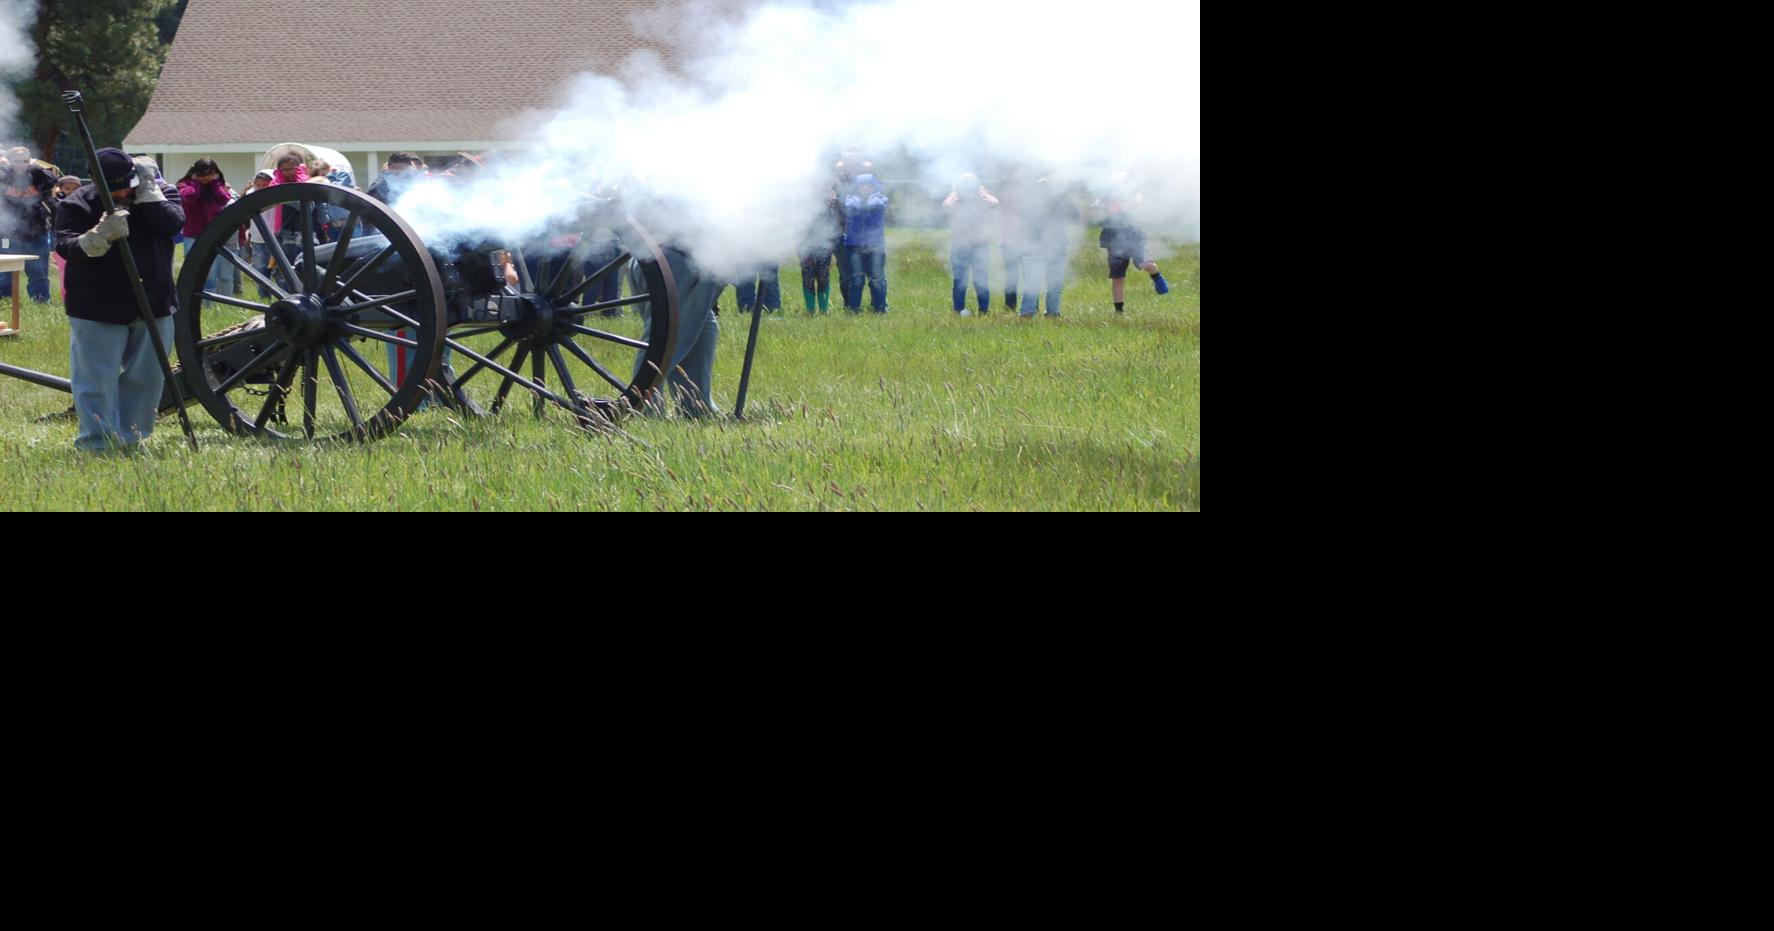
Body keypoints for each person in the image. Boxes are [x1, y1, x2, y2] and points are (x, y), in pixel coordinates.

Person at [53, 149, 185, 452]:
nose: (124, 192)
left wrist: (150, 196)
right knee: (96, 381)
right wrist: (96, 237)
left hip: (153, 300)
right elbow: (65, 245)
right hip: (96, 304)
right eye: (115, 189)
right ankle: (97, 443)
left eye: (127, 185)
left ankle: (132, 439)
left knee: (147, 378)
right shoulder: (76, 203)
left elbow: (172, 225)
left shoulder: (159, 194)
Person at [1095, 172, 1170, 314]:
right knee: (1118, 278)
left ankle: (1156, 275)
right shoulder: (1104, 198)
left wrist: (1125, 204)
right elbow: (1101, 212)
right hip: (1113, 240)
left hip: (1134, 236)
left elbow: (1134, 206)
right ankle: (1119, 311)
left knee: (1146, 264)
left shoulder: (1135, 197)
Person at [1, 145, 57, 303]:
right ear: (9, 161)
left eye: (25, 161)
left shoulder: (37, 175)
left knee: (38, 271)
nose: (21, 164)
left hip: (35, 231)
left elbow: (53, 180)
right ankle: (5, 302)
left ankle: (41, 301)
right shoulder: (3, 175)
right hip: (8, 233)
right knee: (5, 271)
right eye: (17, 161)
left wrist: (36, 167)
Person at [176, 158, 239, 296]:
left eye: (209, 174)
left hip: (212, 234)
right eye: (202, 174)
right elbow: (190, 197)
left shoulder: (217, 185)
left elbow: (223, 199)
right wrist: (196, 182)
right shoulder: (184, 185)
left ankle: (215, 303)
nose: (205, 178)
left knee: (213, 274)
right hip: (192, 235)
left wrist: (214, 183)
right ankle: (199, 302)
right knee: (199, 272)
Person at [1021, 177, 1079, 318]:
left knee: (1054, 285)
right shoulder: (1031, 205)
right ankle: (1028, 313)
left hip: (1056, 249)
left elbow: (1075, 215)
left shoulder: (1060, 203)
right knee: (1033, 285)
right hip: (1035, 249)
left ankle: (1052, 313)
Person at [943, 172, 999, 316]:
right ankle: (959, 310)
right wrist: (957, 195)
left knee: (981, 281)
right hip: (961, 246)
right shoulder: (954, 201)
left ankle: (983, 311)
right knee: (960, 281)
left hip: (979, 246)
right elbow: (947, 205)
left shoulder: (983, 201)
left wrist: (981, 194)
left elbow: (995, 202)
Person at [842, 173, 890, 314]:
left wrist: (868, 201)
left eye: (869, 186)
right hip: (854, 246)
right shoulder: (850, 200)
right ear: (856, 187)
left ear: (875, 187)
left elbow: (875, 204)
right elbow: (851, 206)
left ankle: (880, 308)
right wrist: (862, 202)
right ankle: (854, 309)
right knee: (857, 279)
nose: (865, 189)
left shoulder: (880, 200)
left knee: (876, 279)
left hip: (875, 246)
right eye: (862, 186)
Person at [798, 176, 843, 313]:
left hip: (824, 243)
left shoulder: (832, 201)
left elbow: (836, 221)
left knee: (823, 277)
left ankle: (824, 310)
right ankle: (810, 309)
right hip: (805, 244)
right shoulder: (803, 201)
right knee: (808, 277)